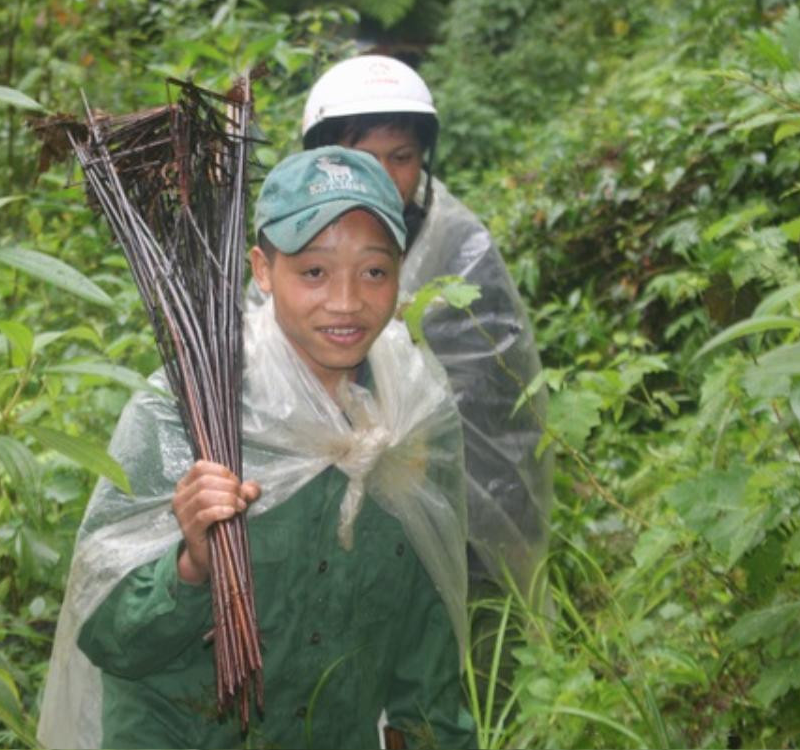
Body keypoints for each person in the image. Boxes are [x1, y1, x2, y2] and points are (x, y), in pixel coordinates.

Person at [38, 147, 476, 749]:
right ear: (263, 270)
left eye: (374, 271)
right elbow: (107, 632)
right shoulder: (188, 411)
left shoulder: (411, 418)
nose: (346, 301)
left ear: (402, 272)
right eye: (314, 272)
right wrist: (190, 566)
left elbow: (427, 649)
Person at [300, 55, 553, 603]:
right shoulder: (290, 245)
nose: (383, 177)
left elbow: (496, 398)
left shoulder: (457, 245)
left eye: (402, 157)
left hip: (446, 496)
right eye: (361, 158)